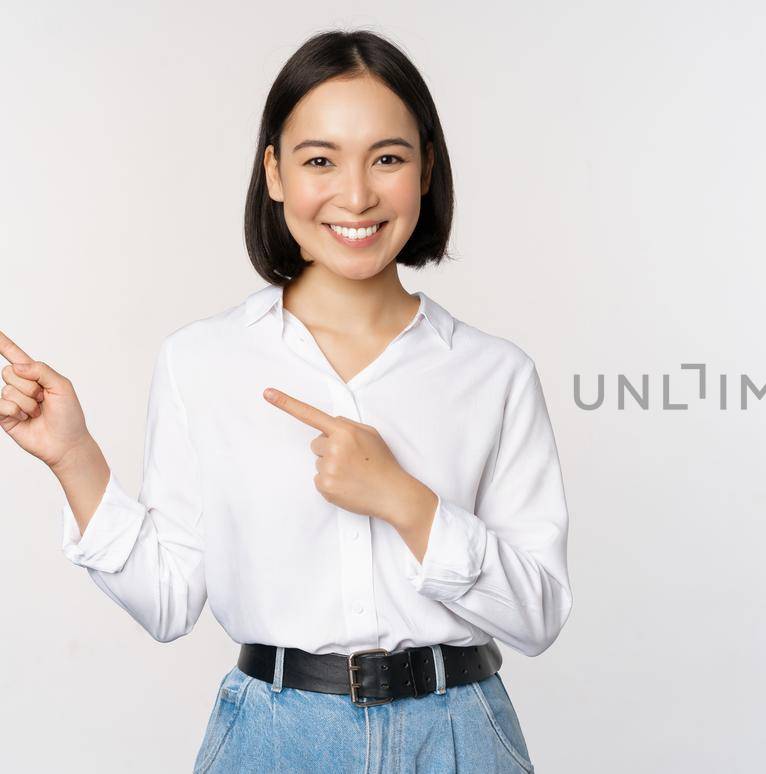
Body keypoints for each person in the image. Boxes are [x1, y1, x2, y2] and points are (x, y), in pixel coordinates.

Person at [0, 29, 571, 773]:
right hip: (273, 740)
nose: (357, 194)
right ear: (274, 172)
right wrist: (74, 458)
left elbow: (538, 616)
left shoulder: (495, 374)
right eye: (320, 160)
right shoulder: (201, 361)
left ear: (426, 168)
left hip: (459, 735)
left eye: (388, 158)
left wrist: (407, 502)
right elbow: (170, 602)